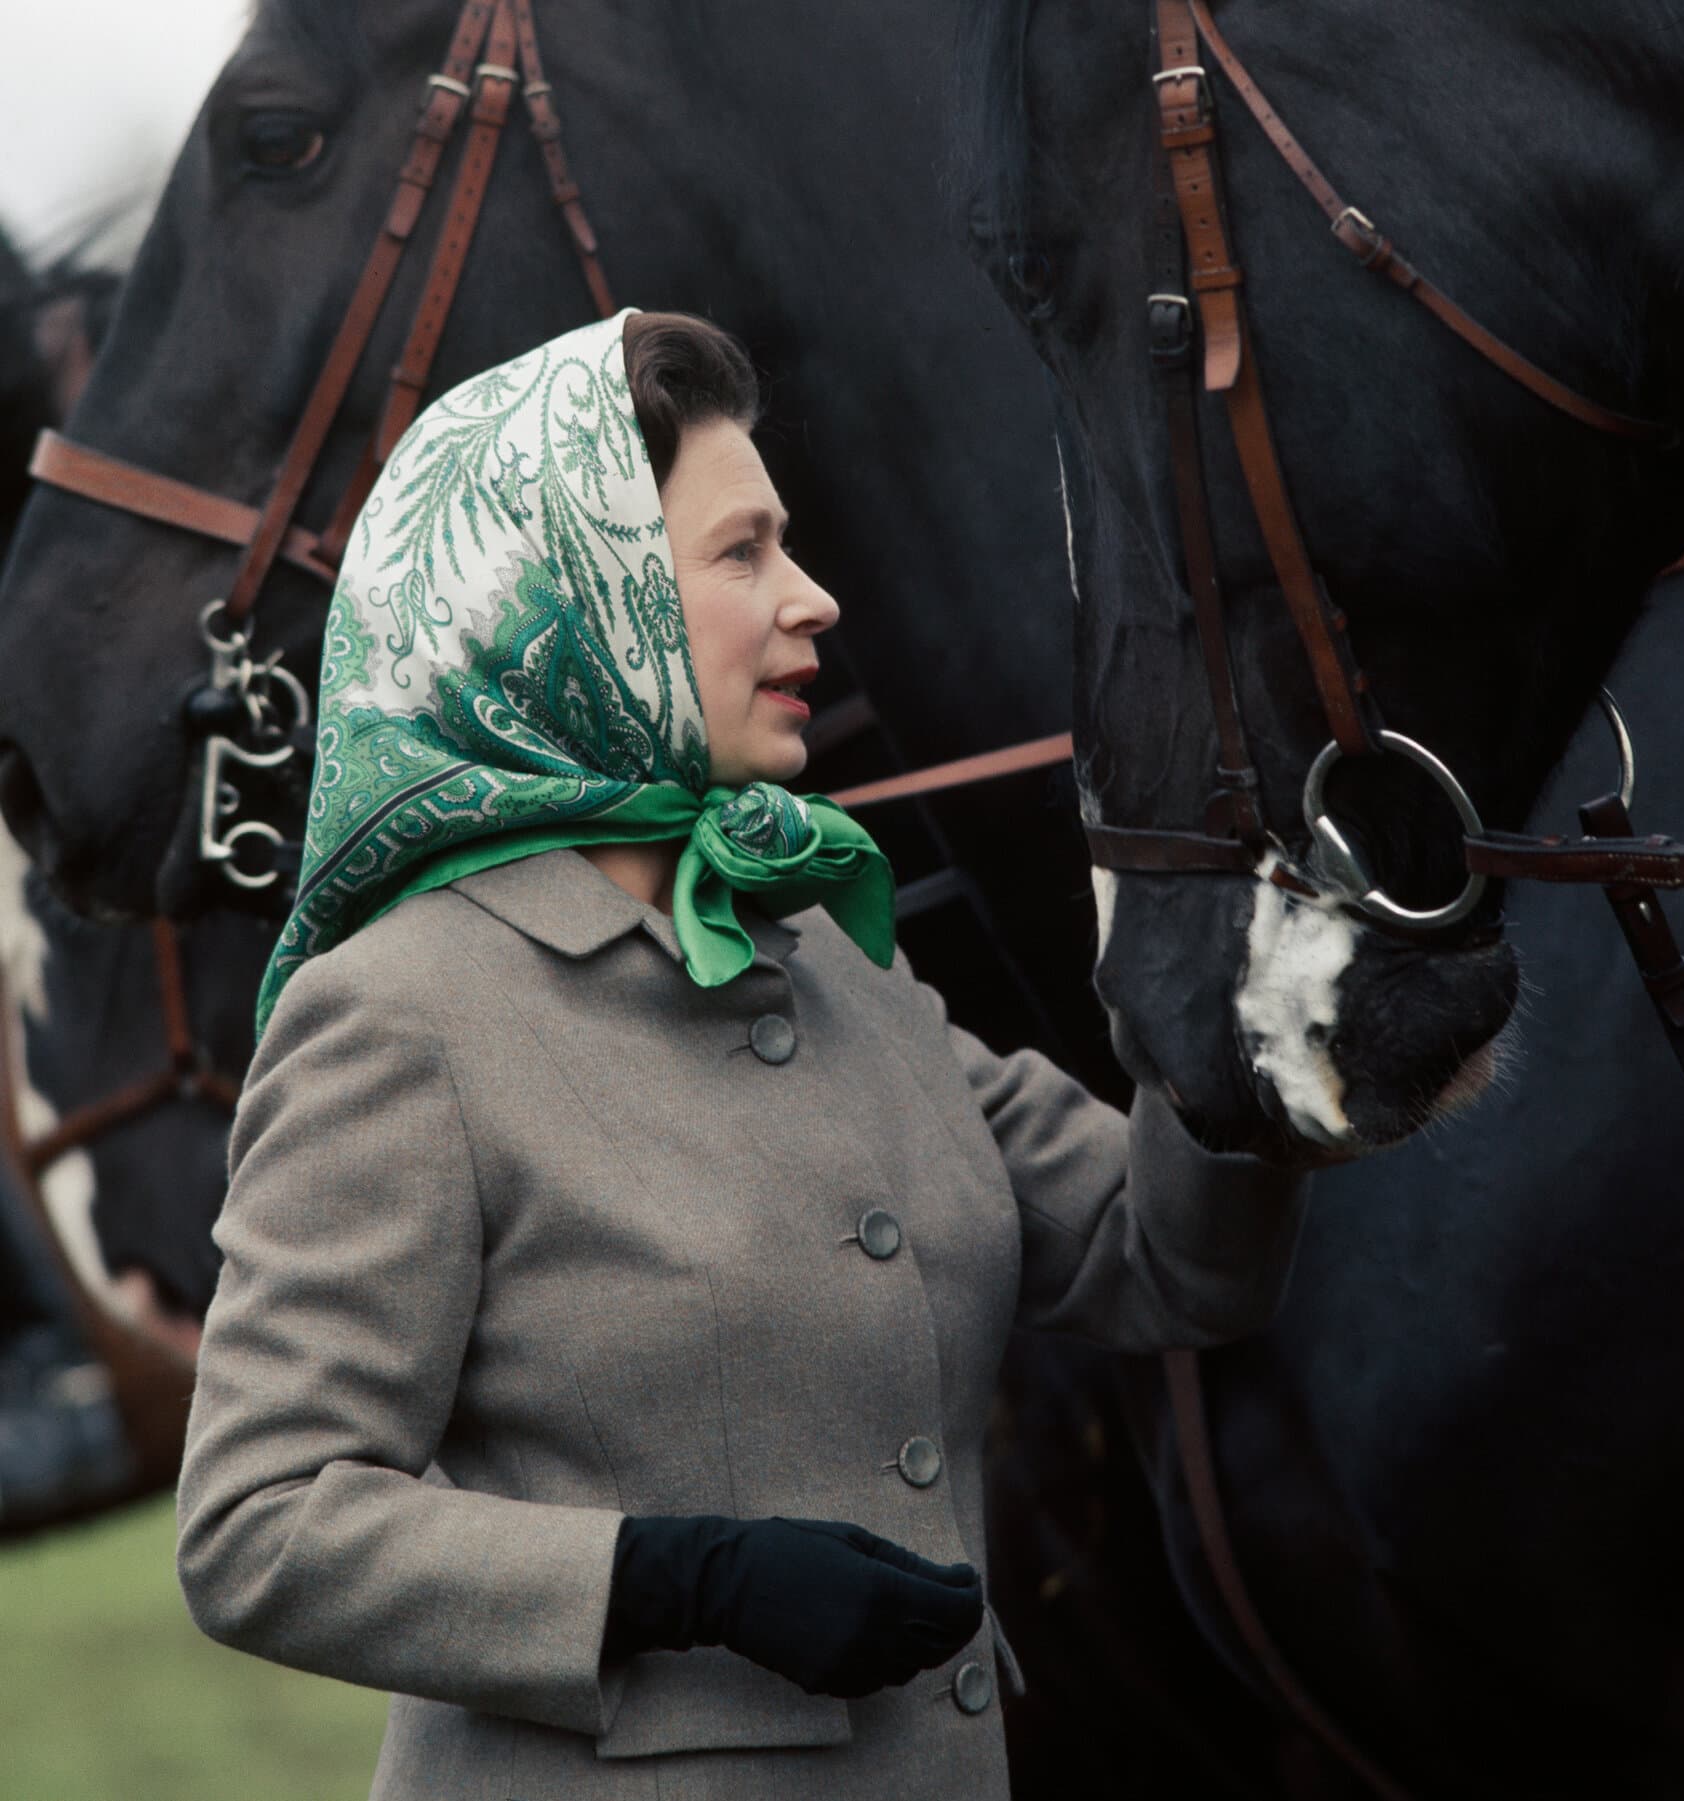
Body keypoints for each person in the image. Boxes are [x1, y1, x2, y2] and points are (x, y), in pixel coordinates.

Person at [175, 310, 1311, 1800]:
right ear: (579, 601)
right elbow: (257, 1522)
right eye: (744, 554)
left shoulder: (831, 951)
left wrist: (1243, 995)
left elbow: (1166, 1256)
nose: (815, 599)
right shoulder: (397, 1017)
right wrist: (670, 1579)